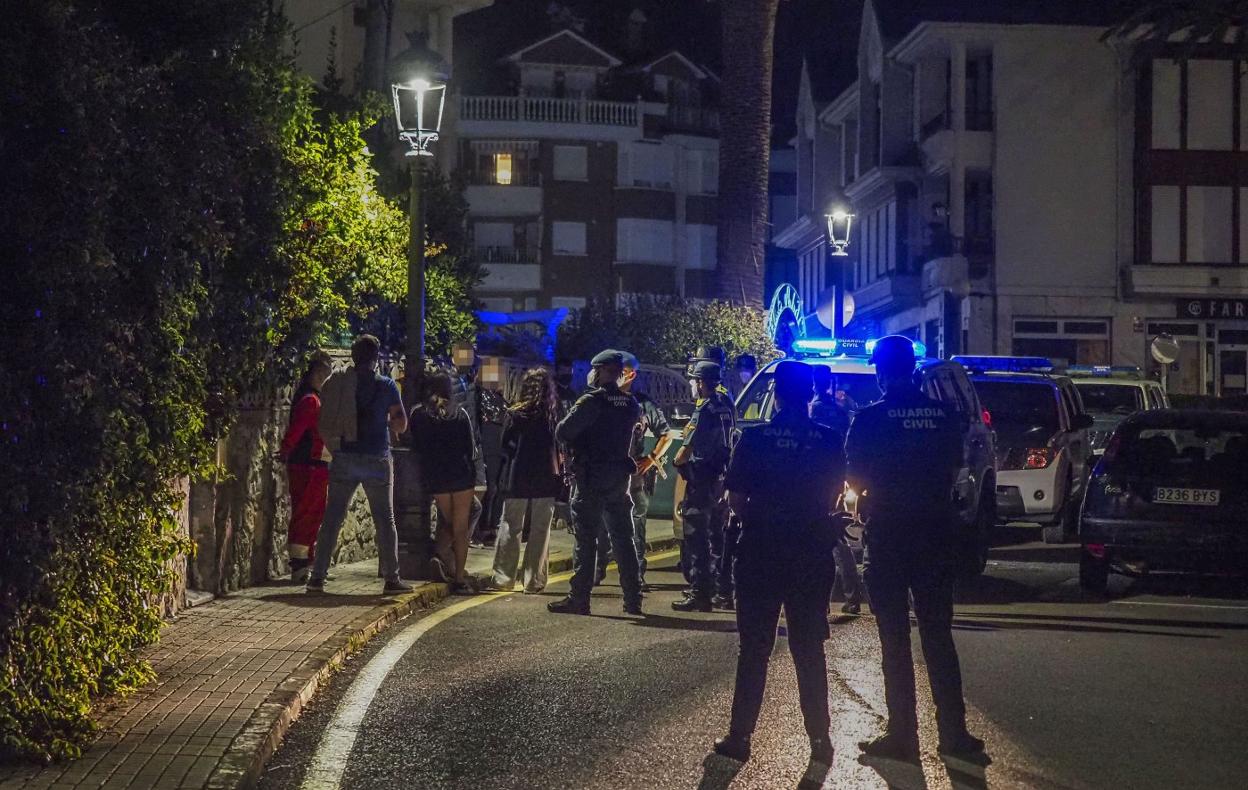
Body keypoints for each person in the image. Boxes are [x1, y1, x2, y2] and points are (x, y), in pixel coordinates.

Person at [846, 335, 984, 761]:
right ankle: (954, 734)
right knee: (938, 636)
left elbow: (854, 474)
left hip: (888, 536)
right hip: (934, 535)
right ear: (912, 368)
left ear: (881, 371)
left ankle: (903, 734)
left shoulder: (870, 418)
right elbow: (956, 466)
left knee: (894, 639)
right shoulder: (944, 416)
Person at [713, 361, 844, 766]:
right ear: (809, 395)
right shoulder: (828, 439)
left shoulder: (754, 439)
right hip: (809, 553)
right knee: (809, 649)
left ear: (776, 395)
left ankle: (740, 737)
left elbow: (735, 498)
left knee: (753, 648)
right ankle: (820, 740)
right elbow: (834, 498)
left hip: (760, 551)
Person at [309, 335, 412, 594]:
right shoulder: (387, 385)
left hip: (345, 455)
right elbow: (400, 422)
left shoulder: (338, 382)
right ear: (376, 358)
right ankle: (391, 578)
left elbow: (325, 418)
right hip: (377, 457)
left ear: (353, 357)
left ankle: (317, 576)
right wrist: (390, 425)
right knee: (385, 519)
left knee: (332, 518)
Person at [547, 350, 644, 616]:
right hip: (618, 479)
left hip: (591, 478)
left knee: (586, 540)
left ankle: (579, 598)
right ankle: (633, 599)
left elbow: (563, 431)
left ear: (601, 371)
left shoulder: (592, 401)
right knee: (624, 540)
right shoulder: (630, 403)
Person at [490, 368, 563, 593]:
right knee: (541, 529)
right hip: (545, 476)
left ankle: (503, 578)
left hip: (517, 475)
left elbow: (505, 448)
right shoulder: (552, 415)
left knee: (511, 526)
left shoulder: (514, 415)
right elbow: (559, 447)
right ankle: (534, 580)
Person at [672, 360, 735, 612]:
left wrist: (677, 462)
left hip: (701, 479)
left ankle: (700, 592)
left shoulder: (705, 408)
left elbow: (687, 447)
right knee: (717, 536)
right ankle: (723, 590)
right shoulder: (727, 406)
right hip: (720, 478)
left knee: (696, 536)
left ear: (701, 382)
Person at [410, 370, 480, 594]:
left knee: (449, 521)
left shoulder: (418, 414)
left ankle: (441, 556)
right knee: (460, 528)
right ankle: (458, 576)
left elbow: (415, 446)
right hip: (461, 475)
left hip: (436, 476)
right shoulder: (459, 413)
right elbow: (470, 449)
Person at [615, 351, 672, 590]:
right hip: (606, 469)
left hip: (633, 473)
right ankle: (596, 570)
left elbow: (666, 434)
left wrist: (650, 459)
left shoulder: (643, 403)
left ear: (631, 374)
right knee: (600, 525)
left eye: (619, 371)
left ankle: (636, 575)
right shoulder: (600, 398)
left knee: (636, 524)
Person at [810, 366, 864, 614]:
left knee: (818, 541)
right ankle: (852, 595)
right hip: (835, 478)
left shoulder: (815, 409)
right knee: (837, 538)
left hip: (815, 479)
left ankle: (821, 600)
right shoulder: (840, 410)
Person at [280, 351, 334, 583]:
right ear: (319, 373)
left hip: (309, 465)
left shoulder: (308, 397)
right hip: (310, 466)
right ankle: (301, 565)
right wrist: (286, 448)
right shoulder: (312, 401)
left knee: (310, 513)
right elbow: (299, 430)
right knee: (308, 513)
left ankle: (305, 562)